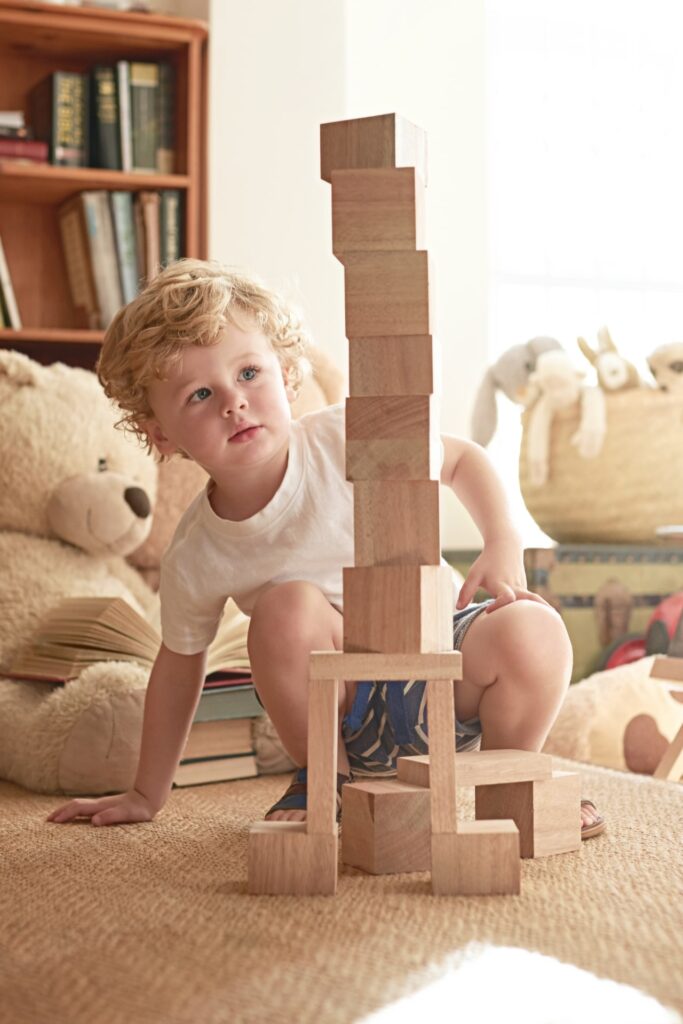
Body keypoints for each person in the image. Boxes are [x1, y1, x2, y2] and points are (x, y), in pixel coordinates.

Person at [46, 259, 605, 839]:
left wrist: (502, 541)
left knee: (535, 628)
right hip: (344, 718)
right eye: (200, 393)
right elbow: (180, 667)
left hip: (447, 665)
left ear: (288, 375)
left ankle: (512, 780)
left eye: (249, 373)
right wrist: (146, 792)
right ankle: (323, 780)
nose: (233, 404)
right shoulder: (197, 551)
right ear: (161, 434)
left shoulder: (345, 435)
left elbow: (461, 459)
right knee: (286, 607)